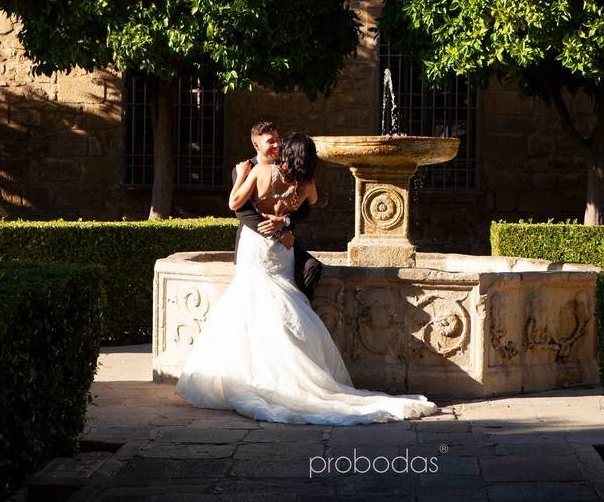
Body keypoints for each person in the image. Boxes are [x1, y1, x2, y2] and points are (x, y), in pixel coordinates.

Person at [176, 132, 438, 425]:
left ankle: (253, 373)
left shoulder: (262, 171)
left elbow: (235, 204)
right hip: (281, 248)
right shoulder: (307, 185)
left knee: (248, 301)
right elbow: (311, 204)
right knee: (282, 300)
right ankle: (289, 370)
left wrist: (242, 176)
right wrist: (285, 222)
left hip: (257, 246)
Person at [232, 121, 322, 301]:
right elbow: (242, 211)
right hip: (257, 237)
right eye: (271, 141)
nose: (277, 145)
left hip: (283, 240)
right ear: (257, 145)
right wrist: (280, 232)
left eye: (278, 140)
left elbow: (303, 210)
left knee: (311, 267)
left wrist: (285, 223)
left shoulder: (290, 170)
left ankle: (304, 304)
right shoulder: (244, 168)